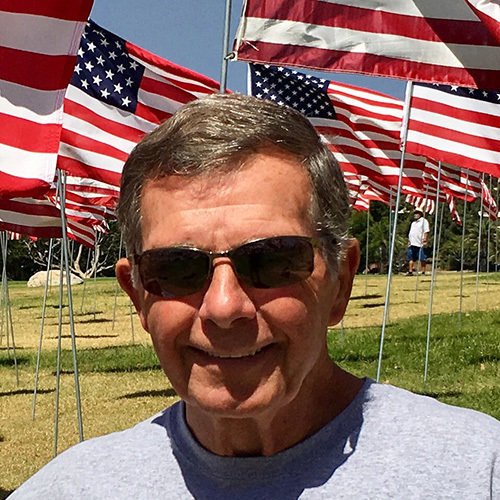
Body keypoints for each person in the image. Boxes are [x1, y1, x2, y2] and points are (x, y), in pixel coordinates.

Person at [11, 94, 500, 499]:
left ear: (341, 282)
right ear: (137, 295)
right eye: (177, 268)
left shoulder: (476, 473)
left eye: (271, 260)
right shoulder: (67, 489)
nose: (224, 308)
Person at [406, 208, 430, 276]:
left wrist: (425, 240)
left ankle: (423, 272)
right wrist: (409, 241)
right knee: (410, 257)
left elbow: (426, 231)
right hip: (412, 243)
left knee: (422, 258)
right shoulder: (413, 223)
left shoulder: (424, 221)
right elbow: (411, 232)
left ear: (420, 214)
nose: (415, 214)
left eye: (417, 213)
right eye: (415, 213)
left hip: (420, 243)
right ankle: (410, 271)